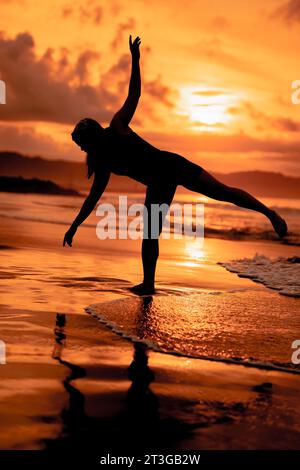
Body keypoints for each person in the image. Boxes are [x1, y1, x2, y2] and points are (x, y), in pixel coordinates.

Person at [63, 35, 288, 295]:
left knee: (222, 192)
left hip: (171, 166)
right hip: (160, 181)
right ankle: (148, 283)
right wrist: (75, 225)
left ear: (91, 136)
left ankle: (270, 214)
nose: (81, 149)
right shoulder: (102, 163)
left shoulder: (117, 127)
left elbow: (134, 94)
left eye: (81, 143)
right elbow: (93, 198)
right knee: (150, 233)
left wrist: (135, 60)